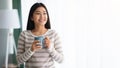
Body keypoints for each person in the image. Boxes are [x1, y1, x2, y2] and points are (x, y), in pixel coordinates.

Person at [16, 2, 63, 68]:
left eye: (44, 13)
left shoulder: (53, 34)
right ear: (31, 17)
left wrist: (51, 48)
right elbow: (18, 60)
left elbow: (61, 60)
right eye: (38, 13)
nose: (42, 16)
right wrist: (31, 50)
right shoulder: (24, 35)